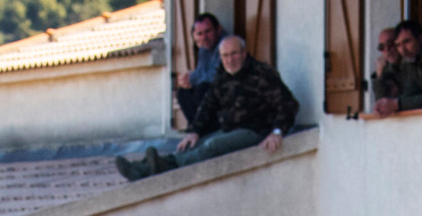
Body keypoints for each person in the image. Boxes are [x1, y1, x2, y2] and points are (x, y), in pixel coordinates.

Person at [118, 34, 299, 179]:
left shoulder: (261, 73)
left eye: (234, 54)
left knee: (212, 146)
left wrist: (277, 132)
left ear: (244, 53)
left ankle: (162, 167)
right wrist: (194, 131)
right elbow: (208, 104)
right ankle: (142, 168)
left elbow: (288, 104)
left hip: (256, 131)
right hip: (230, 129)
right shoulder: (222, 75)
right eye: (225, 56)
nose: (230, 60)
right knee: (192, 145)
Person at [174, 10, 225, 125]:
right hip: (211, 91)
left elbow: (215, 76)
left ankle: (205, 127)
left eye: (208, 31)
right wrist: (187, 79)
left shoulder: (225, 44)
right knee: (182, 93)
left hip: (226, 91)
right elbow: (200, 71)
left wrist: (192, 79)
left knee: (202, 89)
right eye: (200, 34)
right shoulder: (204, 48)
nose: (204, 37)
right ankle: (196, 126)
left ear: (218, 30)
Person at [373, 19, 422, 114]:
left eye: (390, 44)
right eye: (381, 47)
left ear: (420, 39)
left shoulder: (421, 61)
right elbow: (382, 105)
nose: (387, 50)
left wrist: (397, 103)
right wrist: (379, 76)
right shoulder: (391, 68)